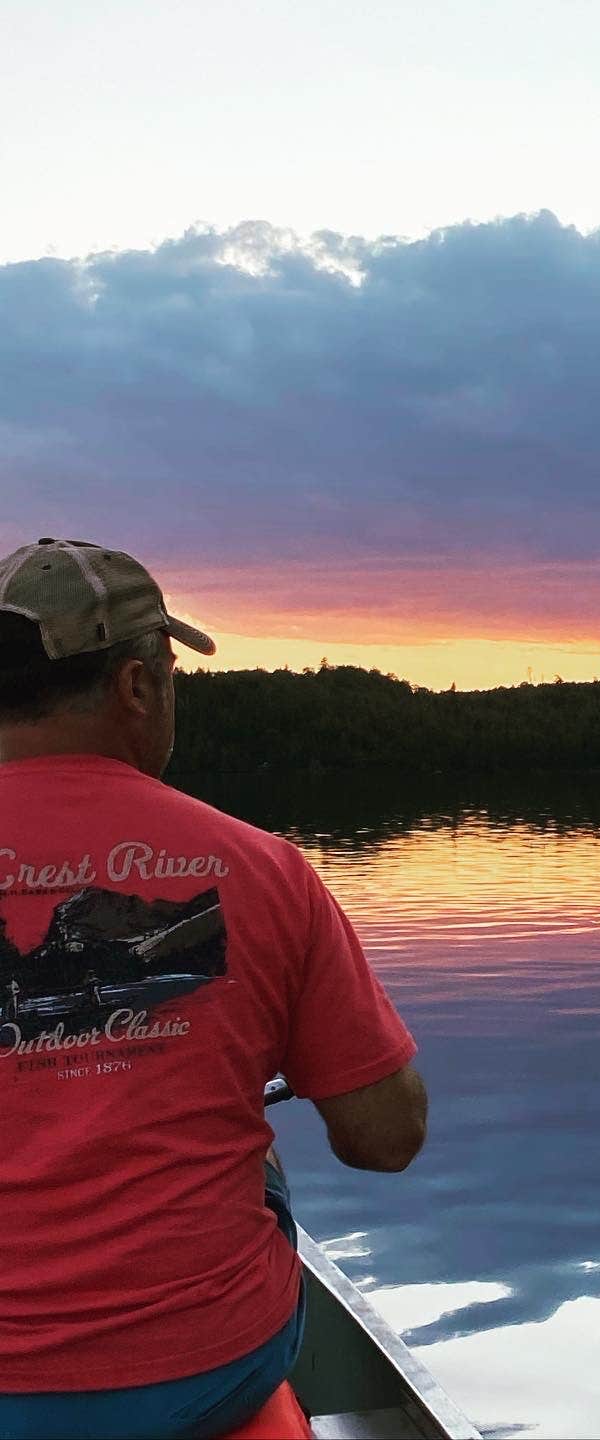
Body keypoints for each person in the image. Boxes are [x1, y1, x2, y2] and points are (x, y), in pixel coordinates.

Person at [0, 539, 427, 1439]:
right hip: (201, 1375)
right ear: (137, 687)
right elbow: (386, 1138)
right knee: (259, 1166)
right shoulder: (262, 869)